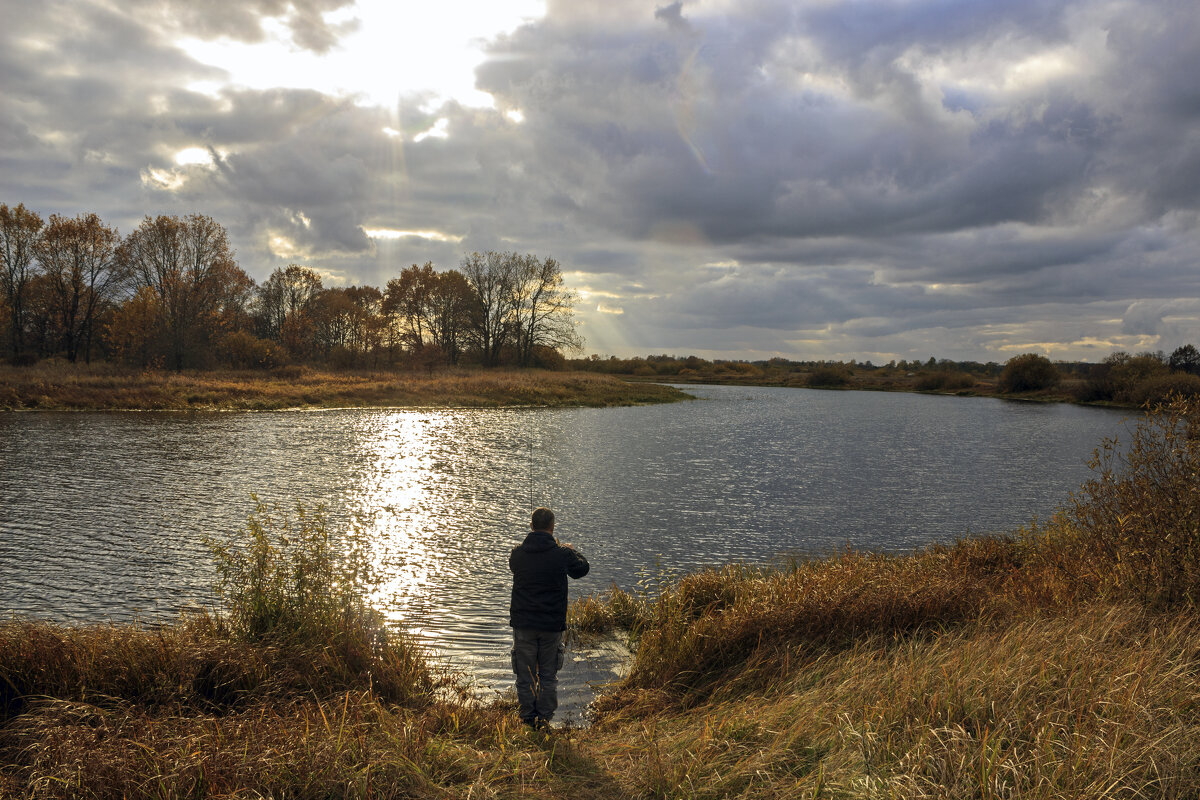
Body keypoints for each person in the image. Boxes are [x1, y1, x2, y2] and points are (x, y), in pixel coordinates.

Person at [509, 507, 589, 729]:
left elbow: (513, 567)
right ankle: (543, 720)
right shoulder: (562, 554)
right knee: (548, 675)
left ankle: (527, 718)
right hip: (551, 625)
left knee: (525, 675)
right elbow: (583, 569)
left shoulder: (517, 554)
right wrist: (571, 550)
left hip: (524, 624)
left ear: (531, 526)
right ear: (552, 527)